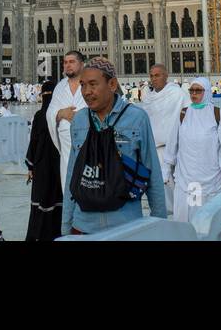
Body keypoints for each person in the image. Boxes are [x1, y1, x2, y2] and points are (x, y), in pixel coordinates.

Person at [61, 57, 165, 236]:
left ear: (112, 84)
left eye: (93, 84)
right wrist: (65, 227)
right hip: (84, 226)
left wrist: (160, 226)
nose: (86, 92)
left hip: (126, 226)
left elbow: (152, 173)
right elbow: (72, 175)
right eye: (83, 85)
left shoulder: (136, 118)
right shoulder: (79, 121)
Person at [165, 76, 221, 222]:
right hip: (188, 181)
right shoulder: (183, 114)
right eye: (191, 90)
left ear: (207, 92)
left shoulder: (216, 114)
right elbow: (172, 143)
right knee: (190, 220)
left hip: (212, 180)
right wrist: (166, 169)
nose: (194, 94)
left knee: (209, 221)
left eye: (198, 90)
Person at [136, 63, 189, 189]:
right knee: (161, 190)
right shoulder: (149, 98)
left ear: (166, 76)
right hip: (156, 150)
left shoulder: (177, 94)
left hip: (177, 149)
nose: (154, 79)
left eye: (157, 75)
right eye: (152, 76)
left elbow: (188, 115)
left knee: (180, 188)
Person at [24, 78, 62, 241]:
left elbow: (33, 142)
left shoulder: (40, 115)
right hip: (59, 165)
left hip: (41, 166)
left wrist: (30, 166)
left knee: (42, 202)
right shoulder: (60, 114)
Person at [46, 50, 88, 192]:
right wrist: (61, 113)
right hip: (66, 146)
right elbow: (50, 112)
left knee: (89, 182)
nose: (67, 65)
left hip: (88, 143)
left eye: (72, 62)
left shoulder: (90, 83)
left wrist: (81, 117)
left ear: (82, 64)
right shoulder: (60, 87)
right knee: (68, 182)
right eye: (65, 62)